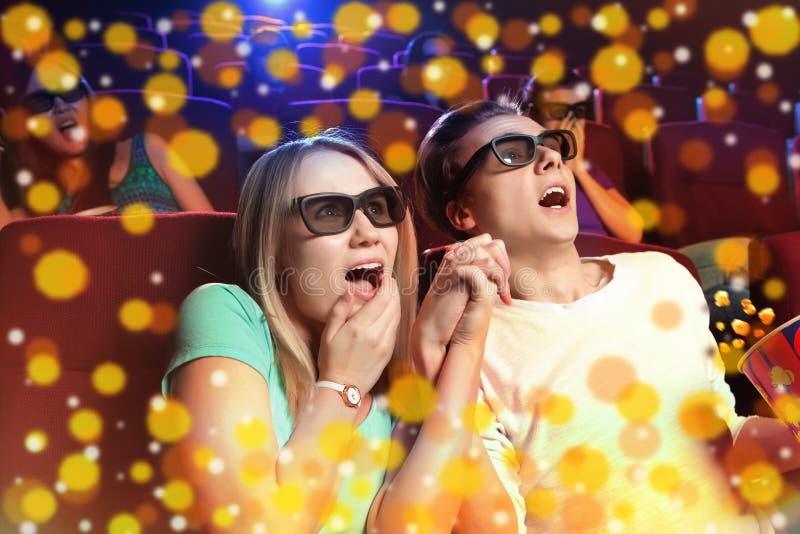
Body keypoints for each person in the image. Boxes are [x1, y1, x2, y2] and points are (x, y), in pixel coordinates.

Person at [414, 100, 800, 532]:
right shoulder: (470, 351)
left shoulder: (665, 276)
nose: (550, 157)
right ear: (464, 212)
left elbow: (725, 433)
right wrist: (436, 359)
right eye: (514, 151)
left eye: (551, 144)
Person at [162, 131, 516, 533]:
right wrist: (342, 384)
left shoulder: (398, 380)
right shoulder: (225, 312)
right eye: (328, 212)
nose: (368, 232)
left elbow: (488, 528)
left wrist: (446, 354)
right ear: (275, 245)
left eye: (380, 208)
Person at [2, 63, 212, 219]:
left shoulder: (150, 149)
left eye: (69, 91)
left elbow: (213, 230)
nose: (61, 106)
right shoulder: (35, 201)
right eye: (41, 102)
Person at [519, 72, 643, 243]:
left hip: (615, 258)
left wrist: (578, 169)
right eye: (559, 111)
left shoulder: (589, 170)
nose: (571, 122)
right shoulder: (523, 170)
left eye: (577, 112)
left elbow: (633, 232)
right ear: (532, 115)